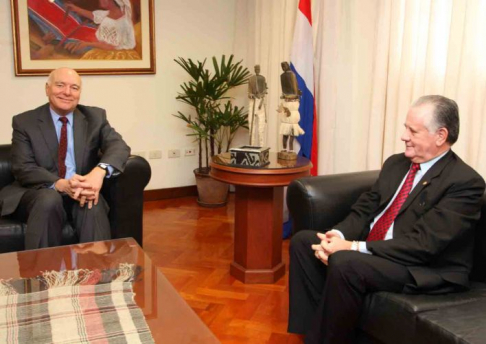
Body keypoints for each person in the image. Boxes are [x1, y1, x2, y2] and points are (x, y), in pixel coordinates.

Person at [287, 95, 485, 343]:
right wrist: (336, 235)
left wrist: (353, 247)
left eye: (413, 131)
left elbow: (424, 245)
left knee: (346, 261)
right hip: (381, 251)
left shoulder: (464, 183)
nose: (404, 136)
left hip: (421, 265)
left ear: (440, 136)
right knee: (305, 242)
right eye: (406, 128)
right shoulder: (396, 164)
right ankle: (311, 334)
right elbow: (365, 209)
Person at [0, 67, 130, 250]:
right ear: (47, 88)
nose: (67, 92)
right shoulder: (25, 122)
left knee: (92, 200)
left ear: (79, 93)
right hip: (39, 191)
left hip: (79, 190)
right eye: (60, 85)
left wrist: (98, 173)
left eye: (74, 87)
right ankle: (42, 274)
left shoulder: (95, 117)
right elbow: (23, 167)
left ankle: (97, 272)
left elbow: (119, 146)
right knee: (49, 199)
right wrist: (60, 184)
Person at [64, 0, 137, 57]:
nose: (99, 0)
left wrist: (88, 44)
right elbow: (92, 15)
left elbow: (112, 46)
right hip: (100, 49)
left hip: (113, 55)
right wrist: (75, 8)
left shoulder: (124, 23)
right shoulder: (106, 14)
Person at [248, 65, 268, 147]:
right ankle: (251, 146)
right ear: (254, 69)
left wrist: (261, 96)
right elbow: (249, 92)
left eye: (258, 69)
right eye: (256, 69)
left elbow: (264, 90)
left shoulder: (262, 78)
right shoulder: (251, 79)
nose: (257, 70)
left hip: (260, 103)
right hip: (253, 102)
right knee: (251, 124)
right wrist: (251, 95)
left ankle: (261, 146)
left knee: (261, 127)